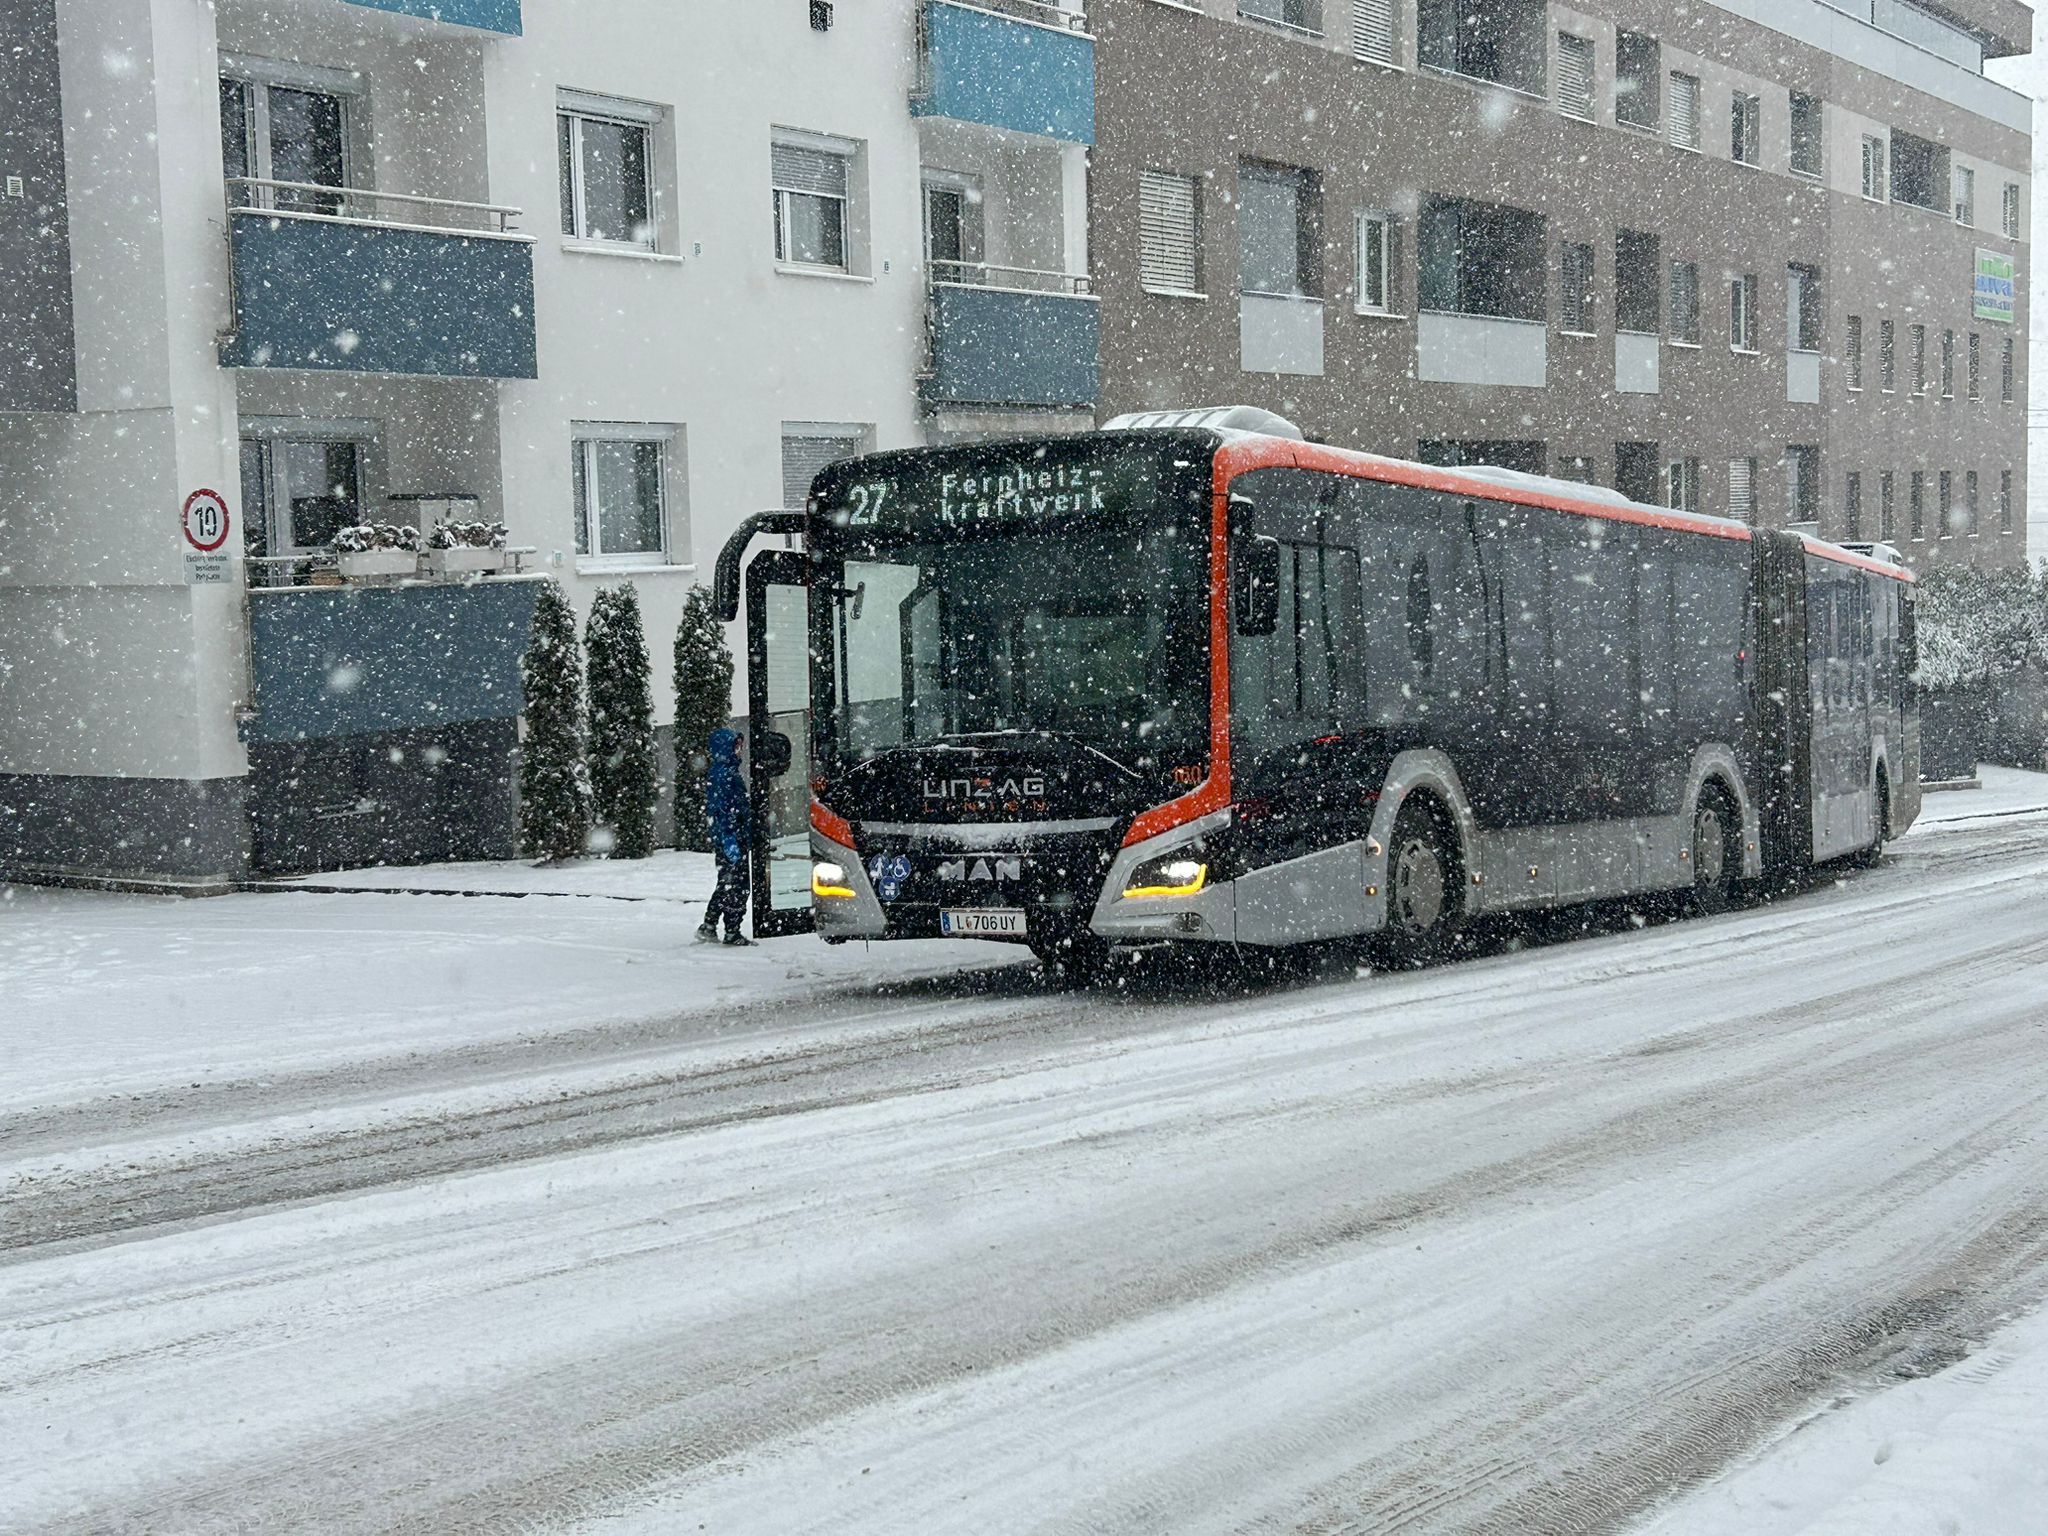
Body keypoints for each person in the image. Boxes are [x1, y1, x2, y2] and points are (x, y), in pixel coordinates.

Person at [697, 727, 754, 946]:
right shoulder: (726, 776)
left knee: (727, 883)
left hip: (730, 838)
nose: (739, 751)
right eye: (735, 746)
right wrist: (731, 840)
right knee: (736, 886)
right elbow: (724, 811)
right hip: (732, 840)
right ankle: (732, 930)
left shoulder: (722, 772)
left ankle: (710, 925)